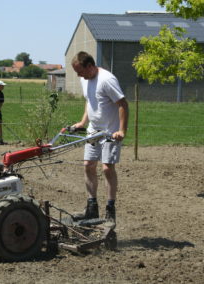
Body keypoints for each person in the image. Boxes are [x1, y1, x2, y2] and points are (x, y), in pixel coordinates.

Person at [71, 51, 129, 225]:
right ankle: (91, 207)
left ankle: (110, 209)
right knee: (88, 165)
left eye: (80, 71)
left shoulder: (107, 80)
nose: (78, 75)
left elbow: (123, 104)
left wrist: (121, 130)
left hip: (110, 132)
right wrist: (82, 122)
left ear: (90, 66)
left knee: (106, 168)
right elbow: (89, 100)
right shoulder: (85, 79)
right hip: (93, 130)